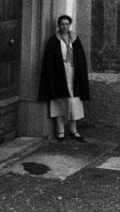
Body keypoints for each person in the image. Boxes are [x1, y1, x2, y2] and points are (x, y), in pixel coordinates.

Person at [38, 14, 89, 142]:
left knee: (74, 101)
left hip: (73, 74)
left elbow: (81, 58)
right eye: (62, 24)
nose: (64, 26)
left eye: (67, 24)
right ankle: (60, 131)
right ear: (58, 25)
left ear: (70, 25)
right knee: (60, 101)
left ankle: (73, 130)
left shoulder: (75, 39)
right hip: (59, 75)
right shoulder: (54, 41)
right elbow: (49, 61)